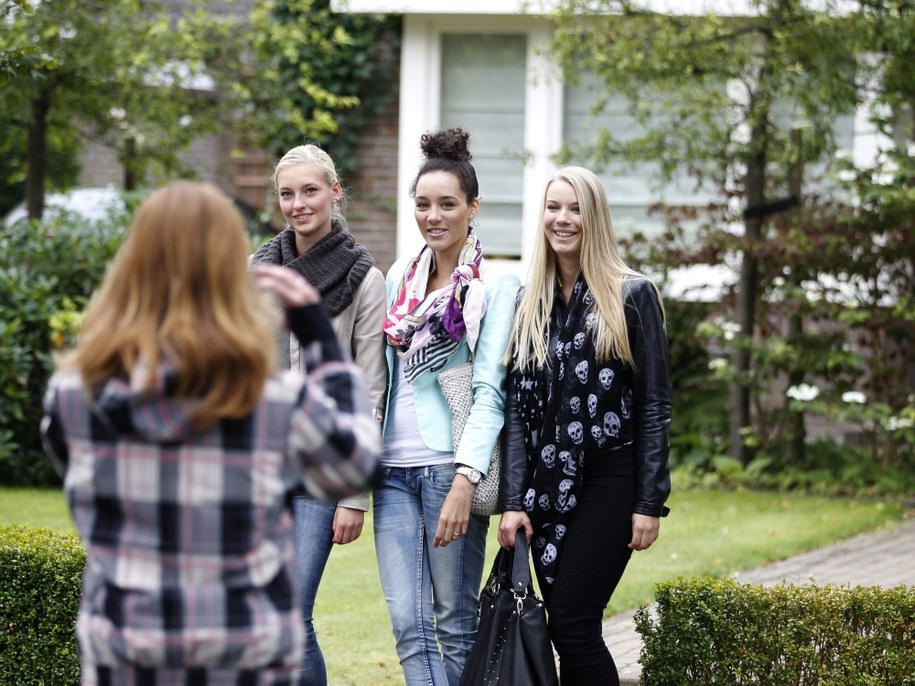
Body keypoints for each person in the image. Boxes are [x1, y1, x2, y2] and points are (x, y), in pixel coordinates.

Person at [40, 181, 380, 686]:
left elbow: (72, 465)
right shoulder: (269, 402)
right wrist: (319, 339)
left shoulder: (74, 395)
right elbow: (355, 460)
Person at [497, 166, 672, 685]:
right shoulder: (530, 301)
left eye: (575, 208)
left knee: (571, 624)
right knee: (572, 629)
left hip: (610, 479)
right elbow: (514, 411)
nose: (563, 219)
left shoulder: (632, 295)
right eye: (553, 207)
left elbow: (655, 405)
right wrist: (513, 499)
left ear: (594, 217)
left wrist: (648, 501)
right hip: (545, 489)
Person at [375, 128, 520, 685]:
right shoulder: (399, 280)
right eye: (422, 205)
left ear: (472, 208)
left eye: (447, 205)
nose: (433, 216)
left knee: (455, 624)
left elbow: (490, 392)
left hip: (445, 470)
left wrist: (466, 478)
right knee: (408, 625)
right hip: (392, 472)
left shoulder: (493, 287)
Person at [250, 144, 387, 686]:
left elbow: (370, 391)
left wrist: (354, 496)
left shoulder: (364, 280)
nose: (298, 204)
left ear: (334, 192)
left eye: (310, 191)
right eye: (287, 193)